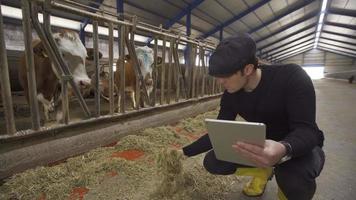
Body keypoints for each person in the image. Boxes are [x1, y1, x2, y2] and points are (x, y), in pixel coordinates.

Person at [180, 33, 325, 200]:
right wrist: (183, 152)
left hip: (297, 147)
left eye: (225, 76)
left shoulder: (292, 77)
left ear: (247, 69)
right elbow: (218, 131)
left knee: (293, 180)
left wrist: (284, 148)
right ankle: (264, 170)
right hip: (262, 145)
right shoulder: (231, 93)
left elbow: (307, 131)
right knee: (213, 161)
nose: (220, 82)